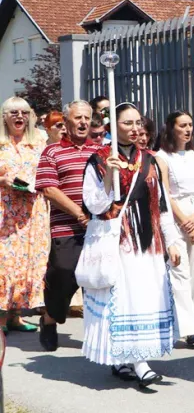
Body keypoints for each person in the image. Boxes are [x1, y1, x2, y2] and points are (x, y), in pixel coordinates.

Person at [80, 103, 182, 388]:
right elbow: (95, 205)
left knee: (144, 296)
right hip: (117, 240)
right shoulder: (99, 159)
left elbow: (162, 206)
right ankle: (139, 363)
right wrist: (108, 180)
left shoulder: (149, 160)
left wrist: (172, 241)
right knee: (124, 298)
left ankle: (127, 359)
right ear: (113, 127)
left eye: (138, 122)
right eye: (127, 123)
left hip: (147, 241)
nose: (135, 128)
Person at [34, 101, 99, 351]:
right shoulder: (52, 152)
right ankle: (50, 318)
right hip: (66, 228)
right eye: (77, 118)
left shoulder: (102, 151)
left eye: (86, 118)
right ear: (67, 121)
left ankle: (98, 334)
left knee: (99, 280)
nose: (82, 122)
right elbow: (49, 189)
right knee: (63, 273)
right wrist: (79, 213)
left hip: (100, 228)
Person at [0, 97, 49, 335]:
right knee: (4, 263)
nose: (19, 117)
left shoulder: (40, 140)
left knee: (25, 261)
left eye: (24, 112)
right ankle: (0, 319)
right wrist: (3, 180)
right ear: (4, 117)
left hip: (32, 209)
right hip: (4, 210)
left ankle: (15, 316)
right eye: (13, 113)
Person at [156, 111, 194, 347]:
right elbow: (164, 192)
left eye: (190, 125)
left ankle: (191, 321)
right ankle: (187, 326)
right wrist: (184, 218)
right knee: (180, 271)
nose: (187, 130)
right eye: (182, 125)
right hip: (175, 213)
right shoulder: (162, 156)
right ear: (171, 128)